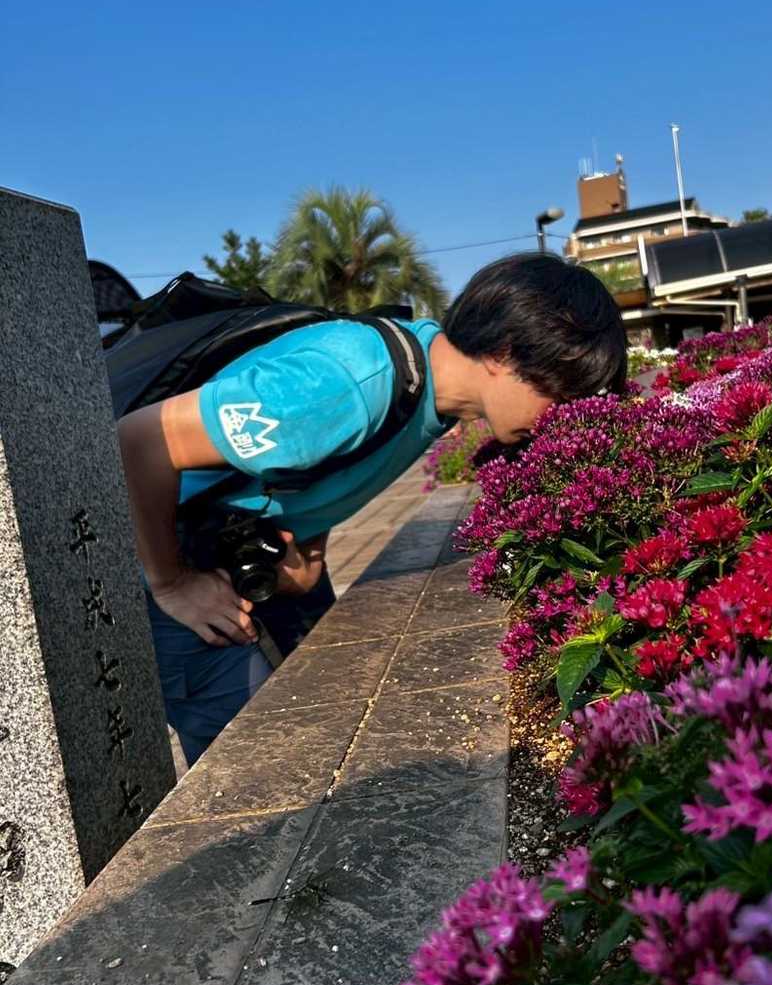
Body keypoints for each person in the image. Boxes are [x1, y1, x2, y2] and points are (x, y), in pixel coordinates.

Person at [118, 253, 627, 765]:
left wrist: (310, 547)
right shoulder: (348, 385)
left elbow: (323, 463)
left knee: (314, 726)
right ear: (502, 352)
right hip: (160, 554)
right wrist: (172, 583)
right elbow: (139, 441)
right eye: (563, 394)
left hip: (240, 553)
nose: (563, 419)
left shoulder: (429, 384)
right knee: (247, 764)